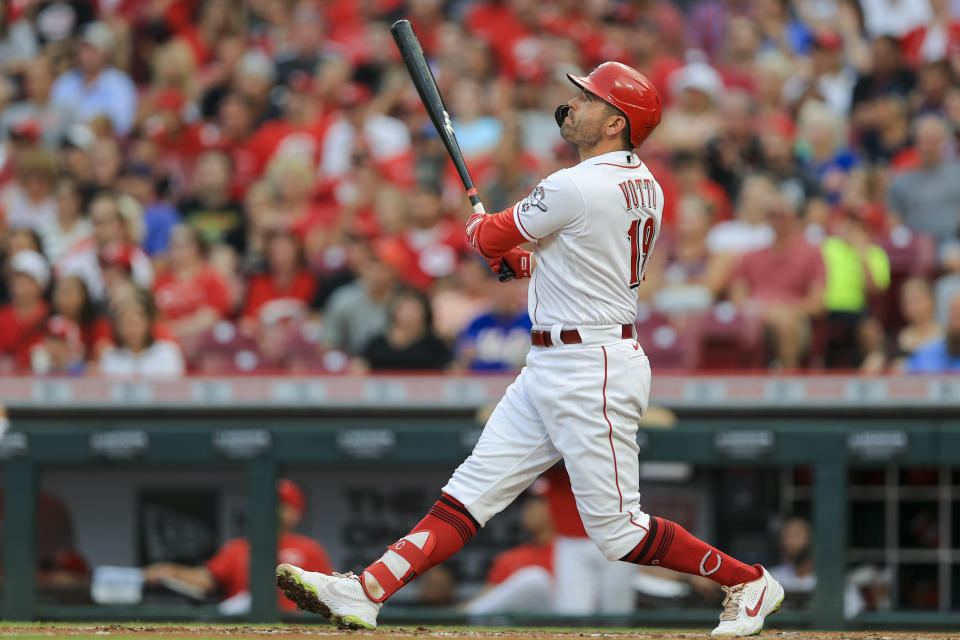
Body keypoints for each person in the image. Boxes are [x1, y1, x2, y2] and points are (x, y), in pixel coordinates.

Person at [276, 62, 784, 638]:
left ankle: (749, 581)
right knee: (470, 492)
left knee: (618, 533)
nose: (575, 104)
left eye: (589, 98)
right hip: (555, 361)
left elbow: (488, 237)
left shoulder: (574, 184)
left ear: (616, 122)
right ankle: (367, 589)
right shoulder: (643, 183)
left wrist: (481, 231)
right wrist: (516, 255)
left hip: (591, 367)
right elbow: (575, 262)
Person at [143, 479, 332, 613]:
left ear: (297, 513)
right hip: (245, 627)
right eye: (269, 503)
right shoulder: (238, 547)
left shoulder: (309, 549)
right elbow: (205, 580)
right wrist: (171, 571)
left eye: (282, 504)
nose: (273, 510)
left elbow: (329, 596)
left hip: (294, 629)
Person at [49, 21, 137, 136]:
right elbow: (54, 118)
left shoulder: (120, 83)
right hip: (66, 142)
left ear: (106, 52)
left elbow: (123, 124)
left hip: (103, 142)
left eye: (93, 49)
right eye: (84, 49)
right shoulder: (65, 81)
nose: (87, 55)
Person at [98, 292, 185, 377]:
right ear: (117, 327)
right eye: (126, 323)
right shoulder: (109, 357)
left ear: (148, 322)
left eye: (136, 323)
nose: (131, 329)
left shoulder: (168, 353)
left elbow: (175, 388)